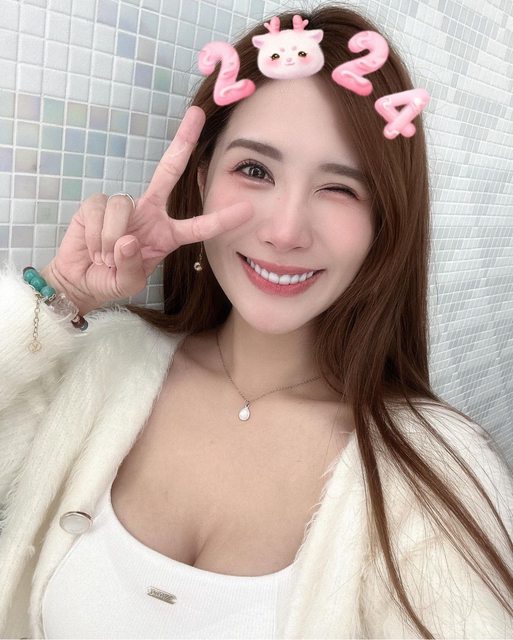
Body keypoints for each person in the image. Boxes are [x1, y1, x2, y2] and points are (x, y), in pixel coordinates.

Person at [1, 4, 512, 638]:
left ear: (385, 222)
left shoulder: (438, 473)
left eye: (340, 188)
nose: (285, 230)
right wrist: (62, 293)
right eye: (254, 170)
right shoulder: (100, 364)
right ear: (202, 181)